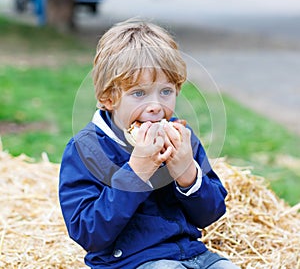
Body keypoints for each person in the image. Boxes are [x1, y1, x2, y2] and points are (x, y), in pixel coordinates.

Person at [59, 19, 240, 269]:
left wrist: (187, 174)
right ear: (108, 98)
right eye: (139, 93)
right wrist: (136, 172)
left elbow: (211, 213)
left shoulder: (181, 137)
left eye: (165, 91)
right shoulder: (86, 149)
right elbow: (88, 232)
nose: (155, 105)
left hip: (191, 253)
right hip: (128, 262)